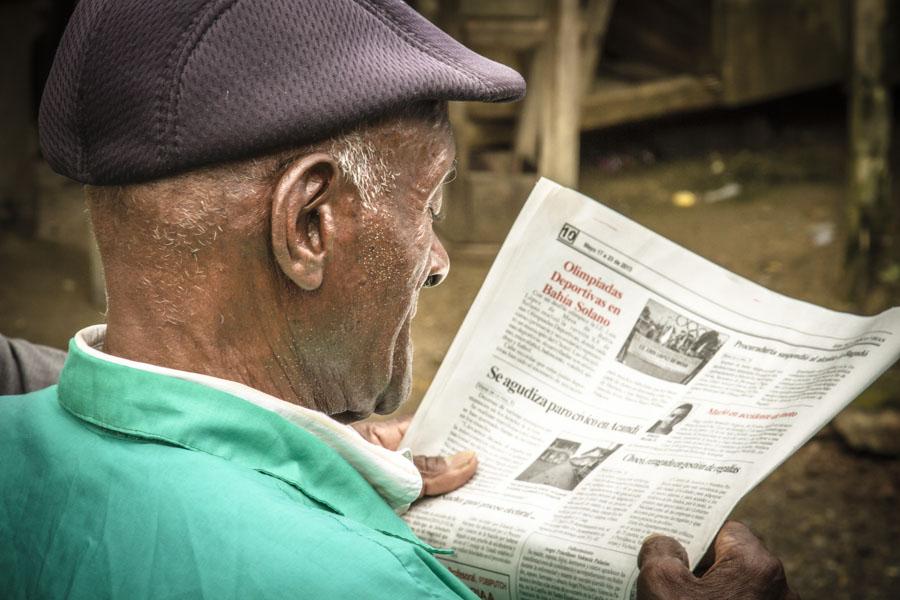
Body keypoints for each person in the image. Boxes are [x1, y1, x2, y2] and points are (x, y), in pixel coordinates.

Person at [0, 1, 797, 598]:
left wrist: (305, 458)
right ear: (309, 223)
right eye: (428, 207)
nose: (439, 262)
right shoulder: (363, 583)